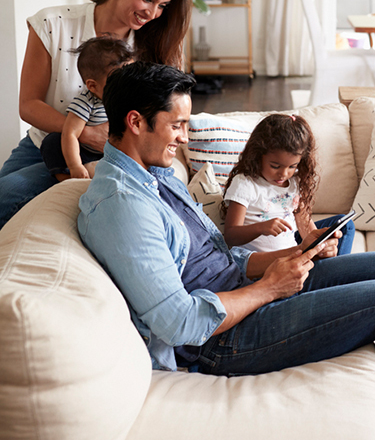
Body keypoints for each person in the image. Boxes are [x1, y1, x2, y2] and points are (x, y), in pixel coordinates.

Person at [78, 62, 375, 376]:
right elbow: (179, 324)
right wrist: (271, 288)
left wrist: (296, 252)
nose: (182, 138)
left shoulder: (158, 176)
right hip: (222, 339)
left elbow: (221, 255)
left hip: (247, 289)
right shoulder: (122, 206)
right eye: (176, 125)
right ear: (136, 122)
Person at [0, 0, 192, 229]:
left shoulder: (152, 45)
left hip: (113, 153)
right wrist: (85, 133)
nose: (152, 13)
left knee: (7, 195)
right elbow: (29, 104)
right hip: (47, 141)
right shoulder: (52, 24)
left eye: (162, 6)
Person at [222, 114, 354, 255]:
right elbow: (230, 236)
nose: (284, 174)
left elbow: (306, 227)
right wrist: (261, 227)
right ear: (258, 155)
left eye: (292, 166)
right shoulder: (245, 184)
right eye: (275, 166)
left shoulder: (294, 182)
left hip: (294, 253)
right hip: (267, 263)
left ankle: (333, 267)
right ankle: (335, 271)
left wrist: (319, 247)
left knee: (345, 226)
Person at [40, 36, 133, 181]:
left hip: (116, 153)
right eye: (117, 82)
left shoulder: (130, 99)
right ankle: (66, 178)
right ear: (92, 86)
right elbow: (70, 134)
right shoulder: (86, 102)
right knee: (53, 141)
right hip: (86, 154)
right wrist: (75, 165)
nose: (126, 87)